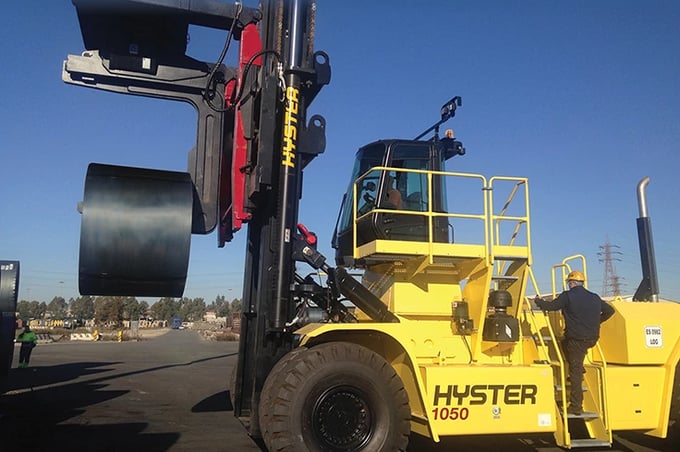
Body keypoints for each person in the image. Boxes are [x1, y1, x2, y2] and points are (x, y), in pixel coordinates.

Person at [534, 270, 615, 416]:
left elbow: (551, 307)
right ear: (582, 283)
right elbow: (610, 311)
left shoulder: (568, 296)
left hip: (576, 339)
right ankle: (578, 368)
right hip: (591, 338)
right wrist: (597, 321)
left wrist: (538, 301)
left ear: (571, 283)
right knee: (565, 344)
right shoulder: (594, 297)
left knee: (575, 372)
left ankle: (576, 406)